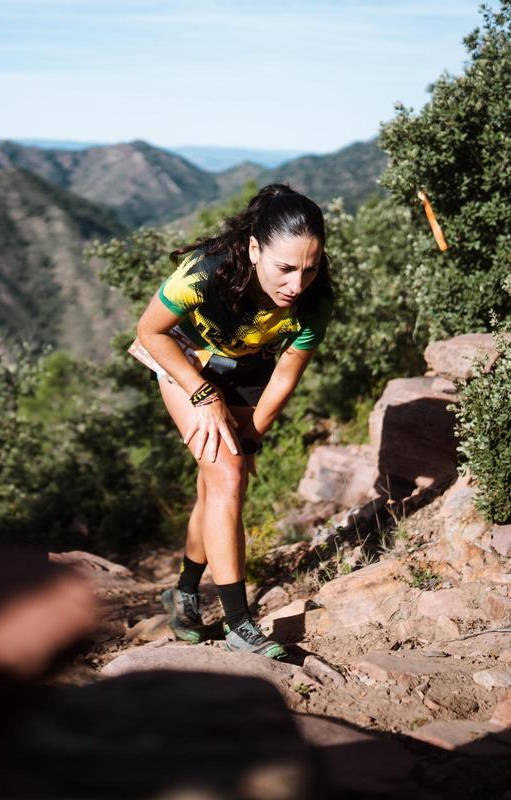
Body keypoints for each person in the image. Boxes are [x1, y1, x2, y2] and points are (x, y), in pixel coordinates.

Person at [135, 183, 331, 659]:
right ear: (253, 248)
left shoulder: (315, 298)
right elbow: (149, 331)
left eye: (308, 269)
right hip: (184, 359)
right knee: (225, 474)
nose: (295, 284)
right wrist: (203, 396)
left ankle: (182, 593)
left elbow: (286, 372)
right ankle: (240, 624)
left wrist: (252, 435)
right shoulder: (204, 274)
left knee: (224, 477)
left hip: (247, 370)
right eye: (284, 269)